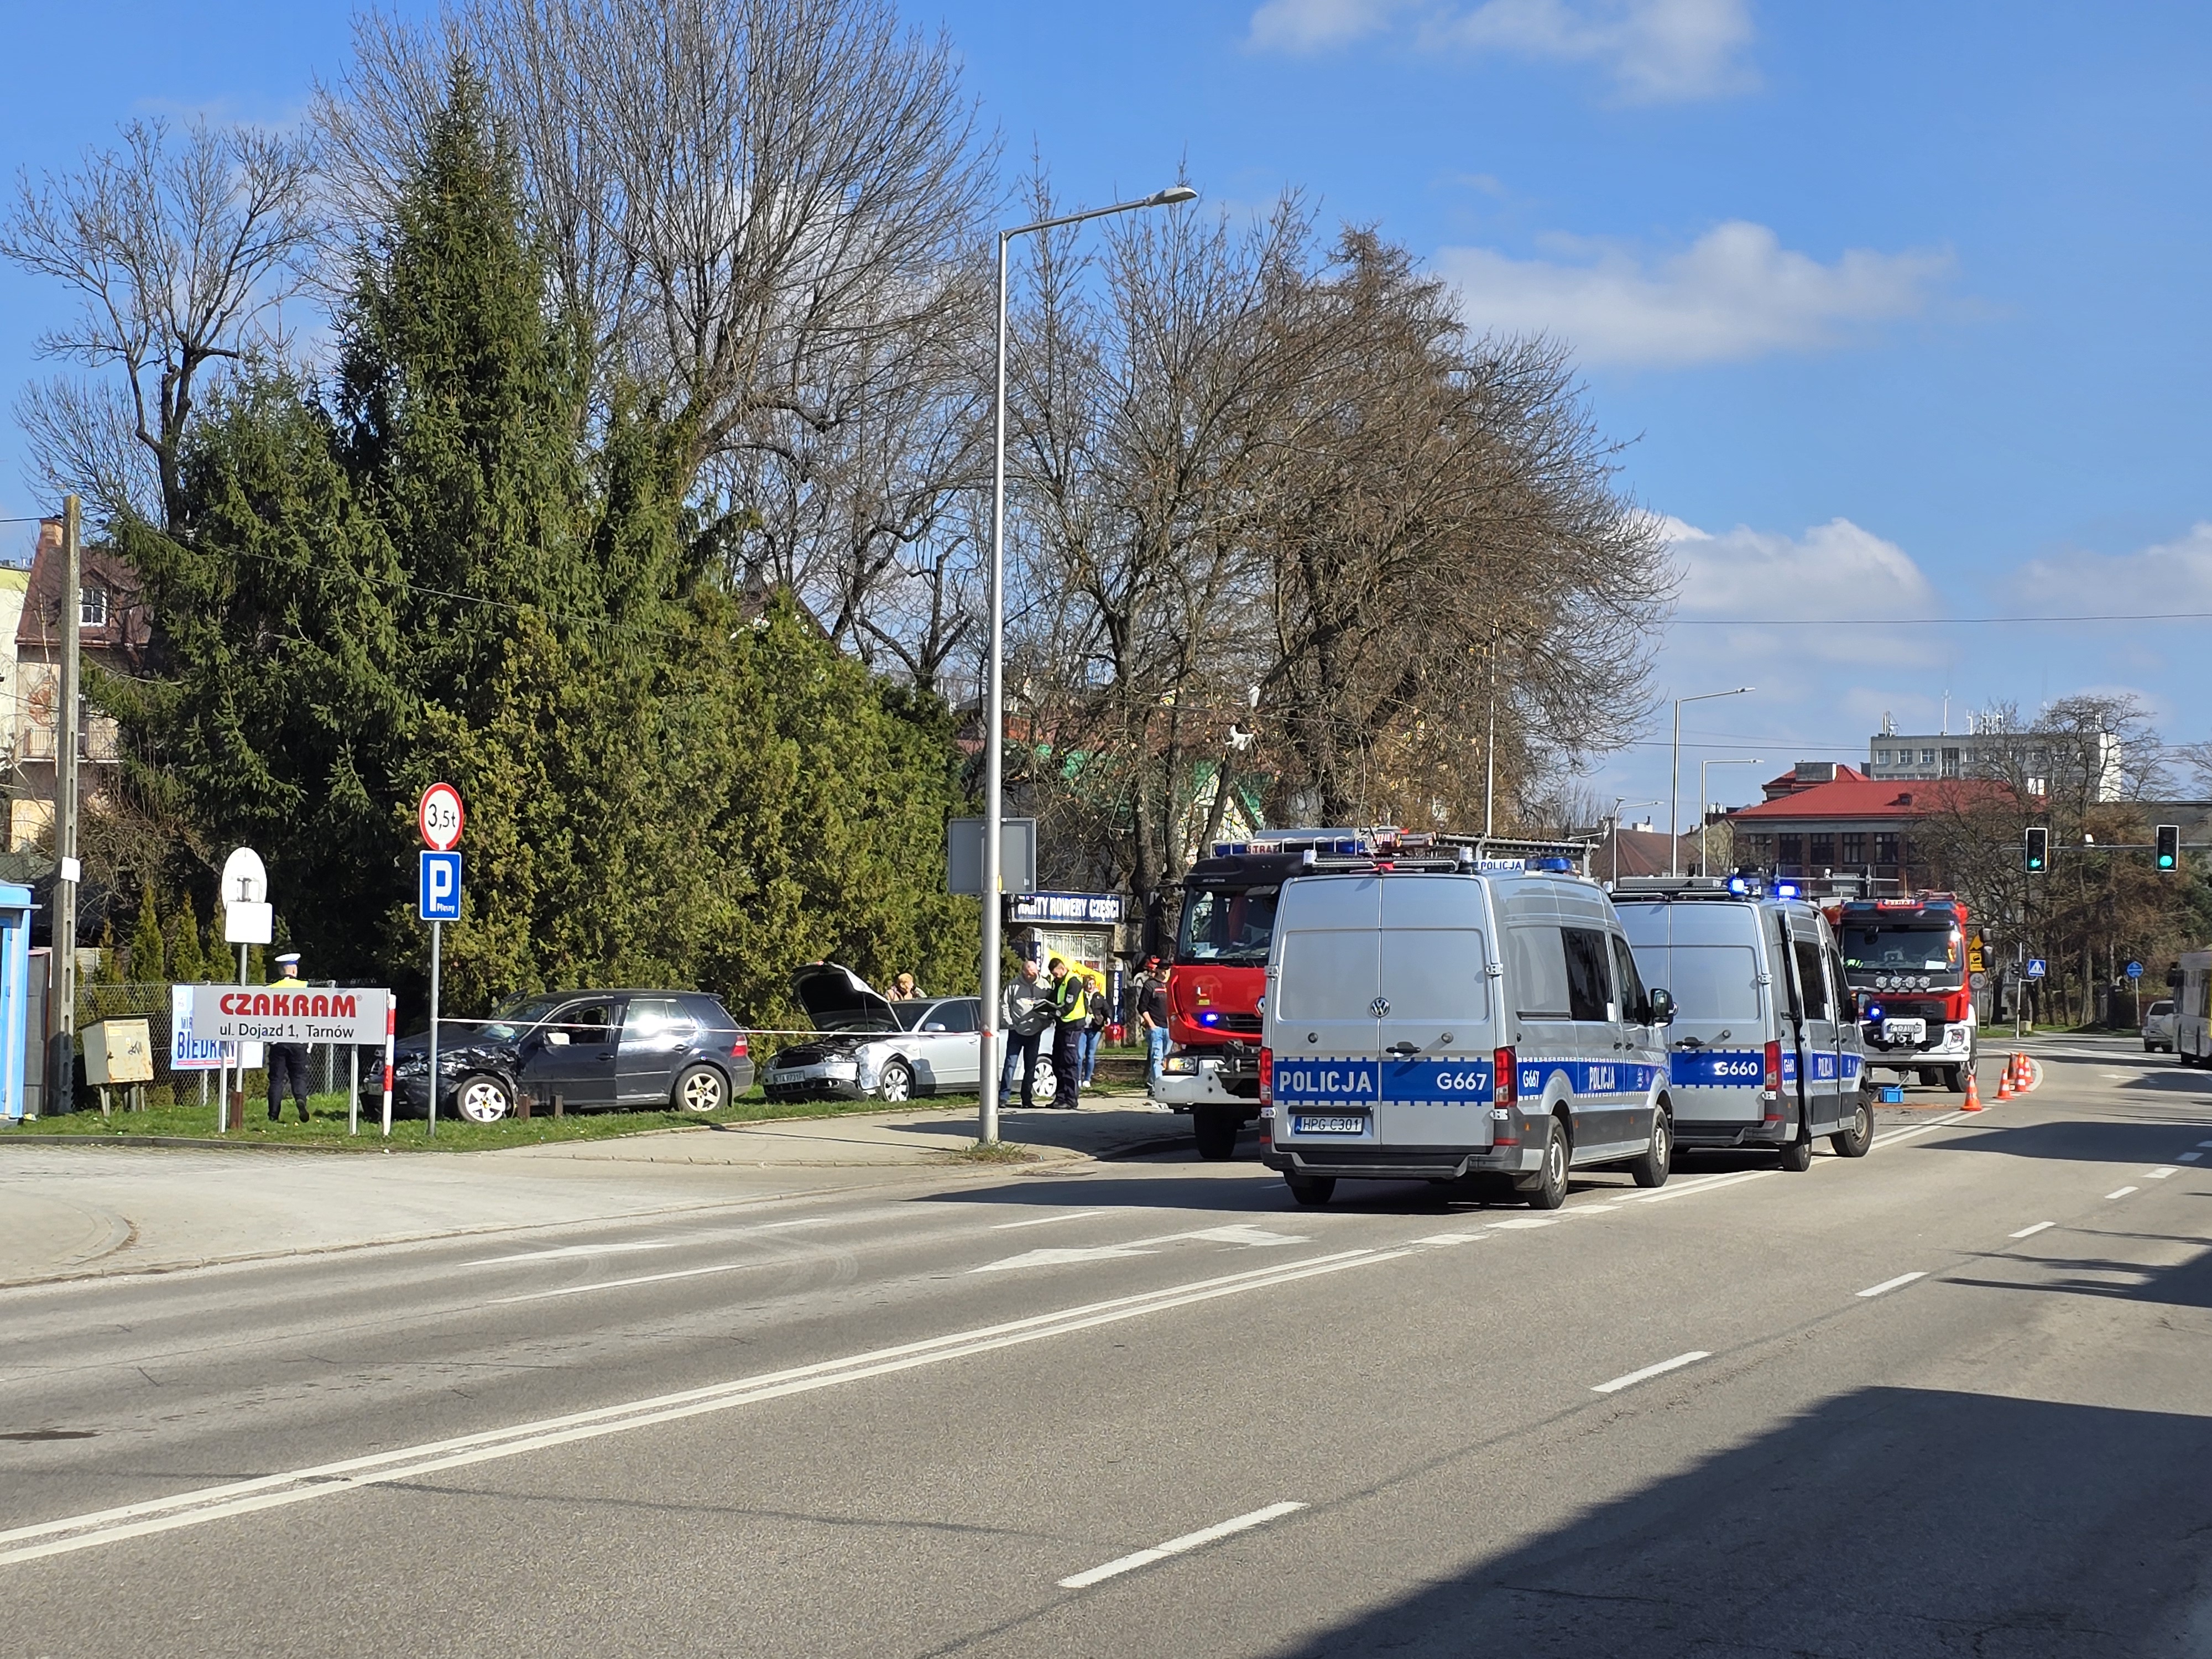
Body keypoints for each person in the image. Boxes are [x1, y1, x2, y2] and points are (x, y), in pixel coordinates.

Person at [264, 952, 312, 1124]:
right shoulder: (306, 987)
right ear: (294, 969)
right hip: (299, 1038)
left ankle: (273, 1115)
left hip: (278, 1040)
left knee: (276, 1079)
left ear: (280, 970)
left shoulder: (270, 990)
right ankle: (301, 1100)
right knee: (299, 1075)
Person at [999, 956, 1053, 1107]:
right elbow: (1005, 1004)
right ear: (1023, 972)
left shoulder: (1044, 985)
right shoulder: (1014, 986)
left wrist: (1045, 1025)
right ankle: (1004, 1096)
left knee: (1030, 1066)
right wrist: (1009, 1023)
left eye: (1034, 973)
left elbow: (1051, 1007)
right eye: (1028, 973)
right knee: (1010, 1063)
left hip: (1035, 1031)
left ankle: (1027, 1099)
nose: (1031, 976)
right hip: (1016, 1031)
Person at [1048, 957, 1086, 1108]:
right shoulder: (1060, 982)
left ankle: (1071, 1099)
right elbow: (1054, 1000)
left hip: (1073, 1026)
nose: (1054, 976)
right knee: (1057, 1062)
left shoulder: (1073, 982)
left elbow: (1068, 1006)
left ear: (1062, 969)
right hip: (1062, 1026)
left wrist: (1054, 1014)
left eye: (1056, 973)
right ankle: (1060, 1097)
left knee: (1069, 1063)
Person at [1136, 955, 1172, 1087]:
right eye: (1162, 969)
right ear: (1158, 970)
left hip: (1169, 1028)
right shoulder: (1150, 985)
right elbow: (1142, 1007)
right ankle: (1158, 1086)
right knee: (1157, 1057)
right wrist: (1151, 1025)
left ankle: (1152, 1082)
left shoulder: (1171, 985)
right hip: (1156, 1028)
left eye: (1167, 969)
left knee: (1166, 1058)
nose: (1165, 972)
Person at [1078, 967, 1106, 1088]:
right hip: (1082, 1028)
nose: (1090, 986)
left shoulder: (1099, 997)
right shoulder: (1080, 995)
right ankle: (1078, 1078)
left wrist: (1108, 1018)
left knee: (1090, 1054)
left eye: (1093, 984)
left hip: (1095, 1028)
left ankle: (1087, 1079)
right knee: (1079, 1055)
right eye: (1088, 984)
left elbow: (1107, 1009)